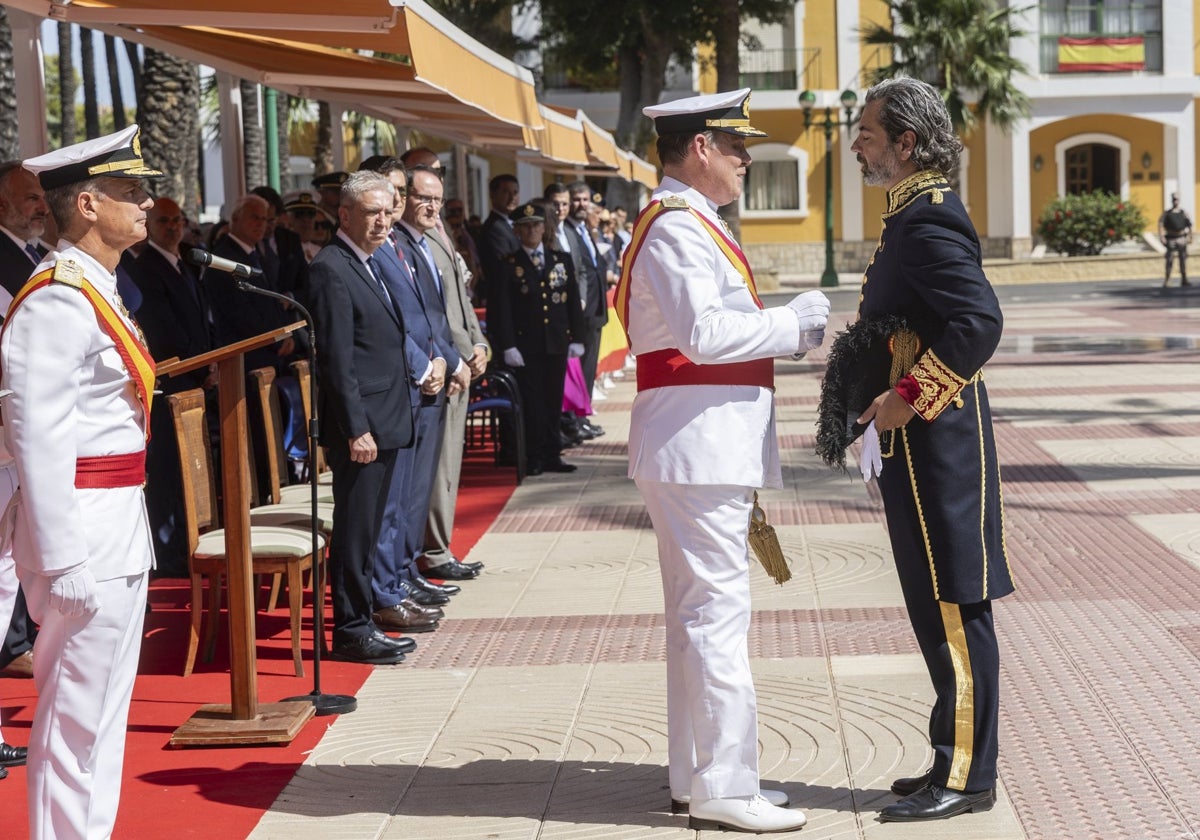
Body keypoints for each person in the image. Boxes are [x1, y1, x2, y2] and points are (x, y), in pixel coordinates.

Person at [614, 88, 828, 833]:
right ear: (699, 147)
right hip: (696, 447)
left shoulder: (691, 222)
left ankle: (696, 776)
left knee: (696, 620)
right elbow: (703, 334)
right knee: (715, 619)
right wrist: (791, 323)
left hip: (698, 446)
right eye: (736, 146)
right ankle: (726, 786)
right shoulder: (678, 227)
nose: (746, 159)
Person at [845, 76, 1012, 823]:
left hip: (941, 450)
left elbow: (978, 323)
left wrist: (905, 402)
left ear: (907, 143)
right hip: (915, 456)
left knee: (955, 608)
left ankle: (969, 779)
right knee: (931, 610)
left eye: (868, 134)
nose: (857, 145)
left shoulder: (928, 219)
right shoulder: (907, 217)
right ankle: (950, 756)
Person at [3, 124, 161, 839]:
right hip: (82, 533)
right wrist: (62, 554)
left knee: (99, 717)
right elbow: (36, 433)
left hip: (113, 522)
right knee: (72, 721)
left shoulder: (96, 286)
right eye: (131, 192)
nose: (147, 204)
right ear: (88, 205)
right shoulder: (58, 298)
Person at [307, 170, 418, 665]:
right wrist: (356, 428)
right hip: (364, 425)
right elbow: (336, 358)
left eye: (387, 210)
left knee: (370, 528)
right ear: (344, 214)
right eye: (372, 212)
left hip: (387, 414)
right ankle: (350, 629)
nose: (382, 220)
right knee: (354, 531)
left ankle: (366, 616)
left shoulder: (368, 262)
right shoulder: (331, 268)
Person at [487, 202, 587, 476]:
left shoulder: (560, 260)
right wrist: (507, 345)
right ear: (517, 231)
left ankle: (553, 454)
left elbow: (572, 305)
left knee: (554, 401)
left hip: (555, 343)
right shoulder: (508, 265)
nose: (532, 229)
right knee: (531, 404)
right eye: (526, 225)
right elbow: (502, 309)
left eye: (536, 224)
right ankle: (532, 456)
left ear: (544, 228)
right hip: (525, 346)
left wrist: (577, 337)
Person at [476, 173, 521, 302]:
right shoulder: (494, 228)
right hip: (505, 297)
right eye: (506, 192)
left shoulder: (513, 223)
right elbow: (505, 267)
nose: (512, 197)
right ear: (492, 195)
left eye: (515, 192)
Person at [1158, 192, 1192, 287]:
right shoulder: (1167, 213)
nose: (1175, 201)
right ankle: (1167, 279)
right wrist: (1161, 236)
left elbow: (1189, 225)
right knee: (1169, 259)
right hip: (1171, 239)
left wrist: (1190, 236)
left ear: (1179, 200)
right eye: (1174, 199)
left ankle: (1184, 279)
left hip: (1181, 238)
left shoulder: (1183, 213)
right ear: (1171, 200)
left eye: (1177, 199)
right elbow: (1160, 224)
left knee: (1183, 259)